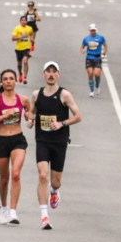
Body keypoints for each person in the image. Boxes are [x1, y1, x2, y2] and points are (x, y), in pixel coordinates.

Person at [27, 62, 82, 230]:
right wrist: (30, 119)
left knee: (55, 181)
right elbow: (32, 113)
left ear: (58, 74)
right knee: (43, 175)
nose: (51, 75)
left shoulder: (64, 95)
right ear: (43, 74)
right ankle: (44, 216)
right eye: (48, 72)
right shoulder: (36, 95)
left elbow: (78, 116)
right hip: (42, 140)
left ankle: (54, 191)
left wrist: (62, 123)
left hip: (59, 141)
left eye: (54, 72)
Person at [0, 69, 31, 225]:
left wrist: (29, 119)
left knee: (16, 174)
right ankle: (4, 207)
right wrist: (3, 116)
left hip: (18, 140)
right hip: (2, 141)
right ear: (1, 82)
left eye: (11, 78)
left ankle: (13, 212)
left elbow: (30, 114)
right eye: (5, 79)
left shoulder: (23, 100)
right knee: (4, 179)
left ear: (16, 81)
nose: (9, 81)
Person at [80, 24, 107, 97]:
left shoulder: (100, 38)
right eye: (91, 30)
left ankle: (97, 86)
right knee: (90, 73)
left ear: (96, 30)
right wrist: (82, 50)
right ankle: (91, 91)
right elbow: (82, 46)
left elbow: (105, 46)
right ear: (89, 30)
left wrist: (103, 53)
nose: (93, 32)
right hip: (89, 57)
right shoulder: (86, 39)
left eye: (94, 30)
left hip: (97, 58)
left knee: (97, 74)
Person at [11, 16, 34, 84]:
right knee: (19, 64)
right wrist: (21, 37)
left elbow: (31, 33)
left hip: (26, 48)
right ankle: (20, 73)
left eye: (25, 20)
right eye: (22, 20)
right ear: (20, 21)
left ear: (27, 21)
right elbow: (12, 38)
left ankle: (25, 77)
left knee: (25, 61)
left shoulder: (29, 28)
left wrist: (32, 38)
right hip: (18, 48)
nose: (23, 21)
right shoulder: (17, 29)